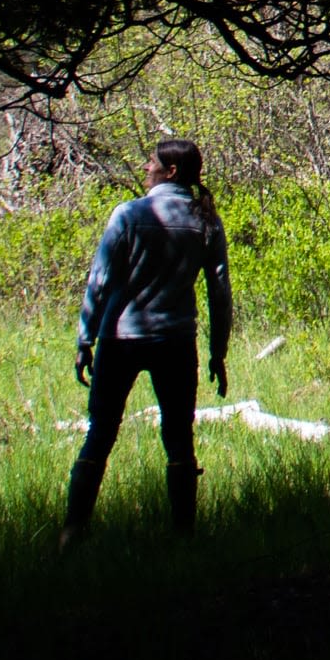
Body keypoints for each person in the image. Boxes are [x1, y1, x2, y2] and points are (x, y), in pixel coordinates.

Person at [64, 135, 234, 544]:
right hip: (175, 342)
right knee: (179, 438)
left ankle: (72, 532)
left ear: (170, 171)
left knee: (100, 433)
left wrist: (85, 339)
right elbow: (220, 292)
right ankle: (183, 537)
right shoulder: (206, 222)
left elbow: (100, 280)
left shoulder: (128, 214)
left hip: (120, 338)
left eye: (151, 162)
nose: (145, 168)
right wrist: (218, 352)